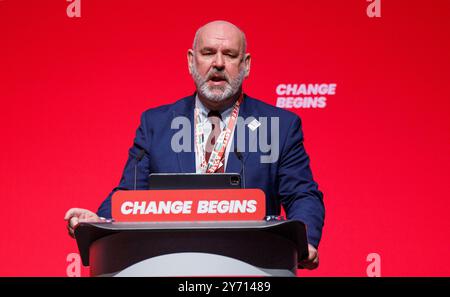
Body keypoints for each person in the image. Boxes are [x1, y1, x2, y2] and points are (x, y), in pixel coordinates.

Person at [65, 20, 325, 270]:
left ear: (246, 65)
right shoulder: (156, 124)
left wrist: (306, 240)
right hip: (170, 263)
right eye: (209, 52)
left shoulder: (280, 125)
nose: (218, 63)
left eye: (230, 55)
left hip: (252, 264)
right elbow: (130, 195)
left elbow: (302, 194)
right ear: (191, 61)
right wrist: (100, 221)